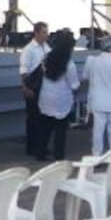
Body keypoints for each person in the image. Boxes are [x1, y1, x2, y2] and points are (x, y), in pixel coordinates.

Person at [36, 29, 80, 161]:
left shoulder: (46, 58)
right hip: (62, 100)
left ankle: (41, 153)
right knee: (60, 130)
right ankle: (59, 155)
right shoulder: (69, 64)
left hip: (45, 97)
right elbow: (74, 85)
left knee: (45, 128)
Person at [81, 38, 111, 155]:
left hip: (98, 101)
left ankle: (96, 155)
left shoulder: (92, 61)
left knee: (97, 131)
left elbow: (85, 77)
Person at [19, 22, 51, 156]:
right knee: (33, 118)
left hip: (44, 86)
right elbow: (24, 70)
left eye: (46, 32)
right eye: (43, 32)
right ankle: (32, 147)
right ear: (36, 33)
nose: (46, 35)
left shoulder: (47, 48)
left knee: (43, 117)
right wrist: (26, 87)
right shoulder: (29, 49)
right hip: (33, 85)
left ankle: (41, 145)